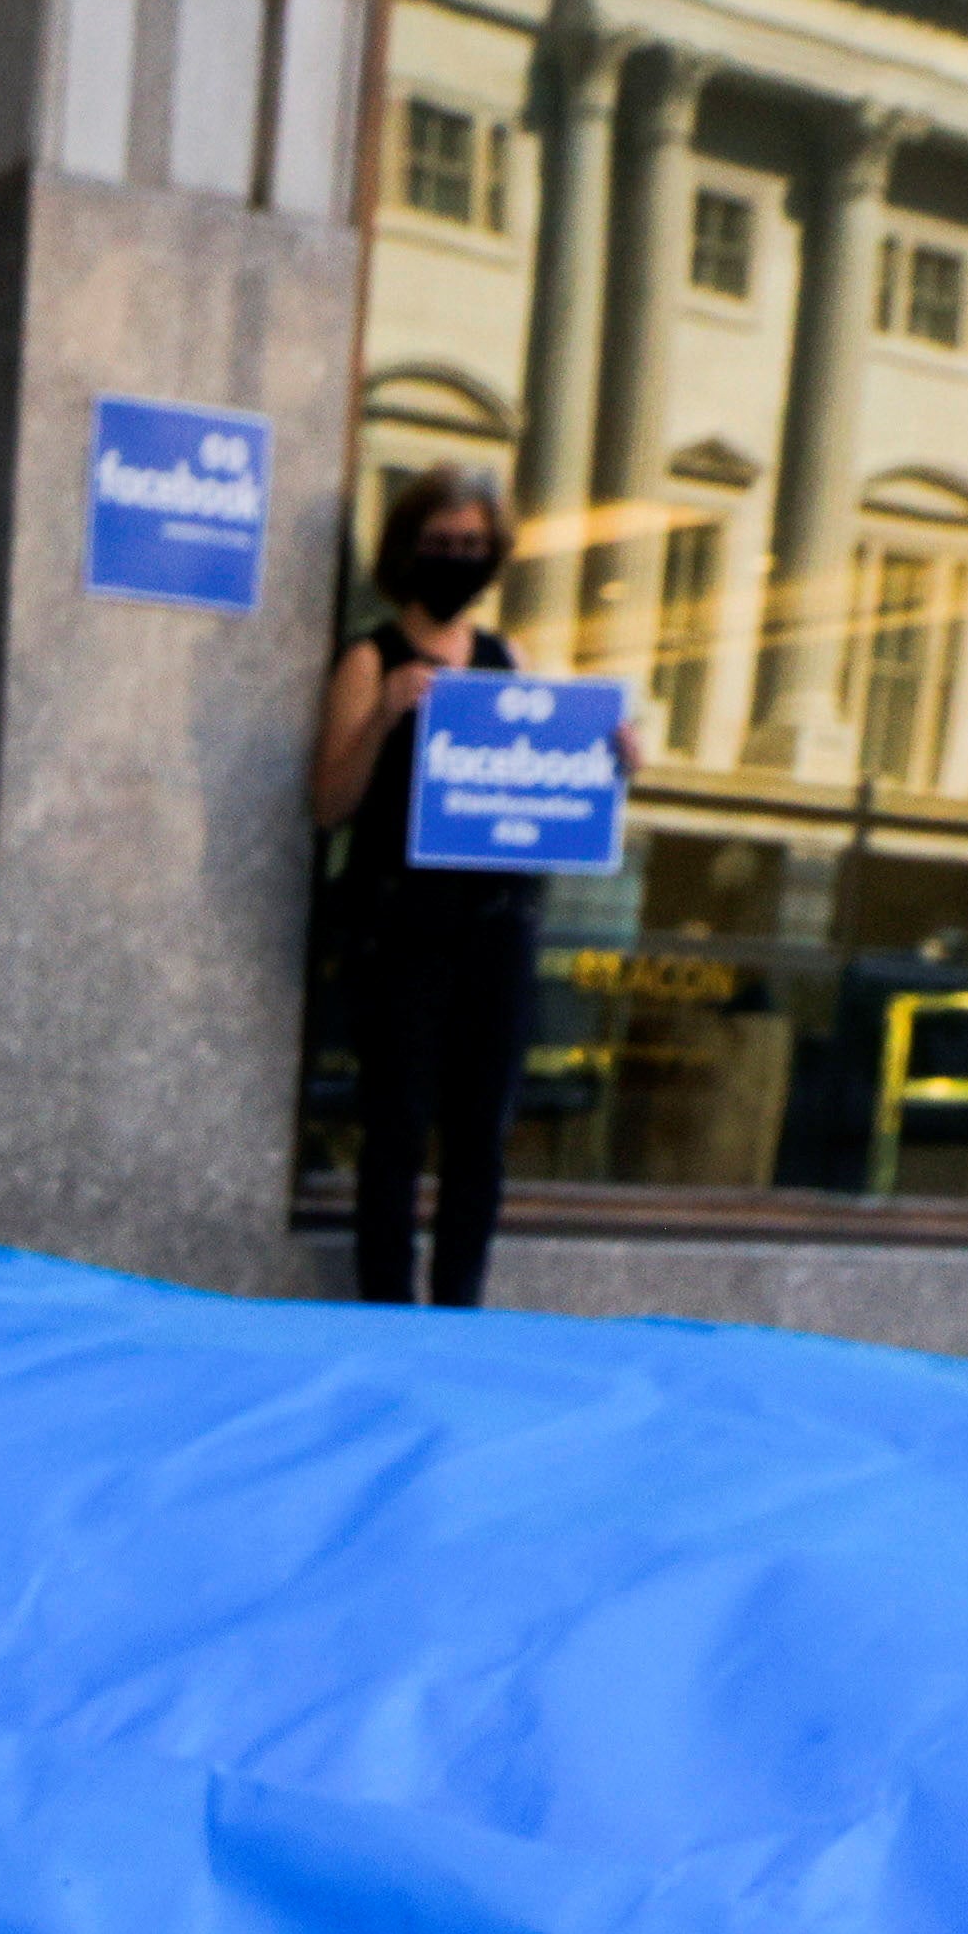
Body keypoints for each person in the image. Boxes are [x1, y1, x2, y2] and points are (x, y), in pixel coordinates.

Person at [305, 462, 611, 1312]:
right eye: (441, 543)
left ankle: (459, 1308)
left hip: (494, 928)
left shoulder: (507, 660)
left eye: (474, 544)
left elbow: (539, 784)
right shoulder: (372, 658)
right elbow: (328, 802)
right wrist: (383, 715)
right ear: (408, 551)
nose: (458, 558)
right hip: (402, 930)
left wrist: (610, 760)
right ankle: (388, 1309)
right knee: (397, 1128)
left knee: (480, 1134)